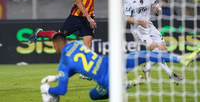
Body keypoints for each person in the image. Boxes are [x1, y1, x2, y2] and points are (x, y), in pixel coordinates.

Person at [40, 33, 200, 100]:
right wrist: (56, 77)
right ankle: (181, 58)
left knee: (93, 95)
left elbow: (61, 91)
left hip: (107, 80)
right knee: (146, 55)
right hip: (115, 63)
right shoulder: (76, 43)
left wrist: (46, 89)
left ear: (56, 46)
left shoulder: (64, 62)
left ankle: (124, 86)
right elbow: (77, 66)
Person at [124, 0, 183, 82]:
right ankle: (170, 73)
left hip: (149, 26)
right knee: (155, 50)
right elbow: (127, 18)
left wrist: (158, 10)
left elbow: (159, 9)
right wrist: (140, 23)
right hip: (138, 29)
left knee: (164, 49)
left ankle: (146, 67)